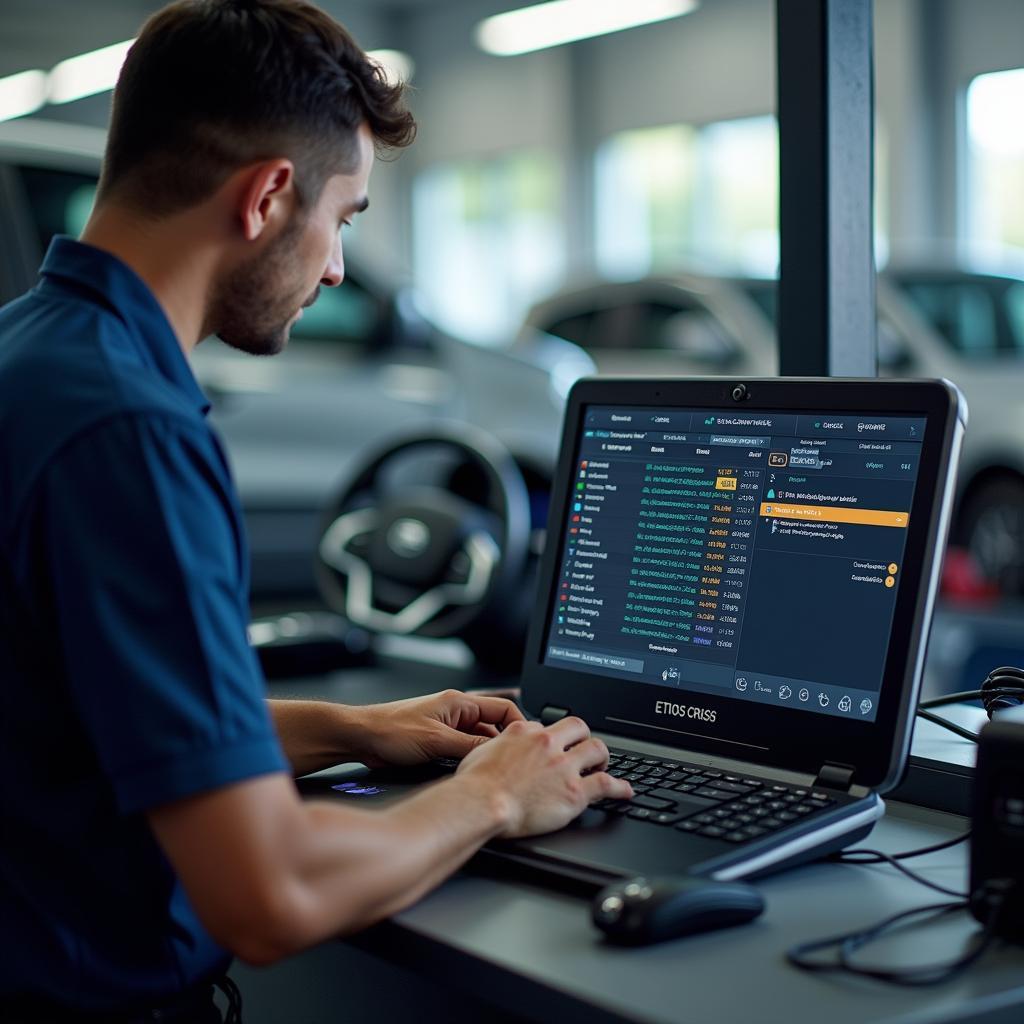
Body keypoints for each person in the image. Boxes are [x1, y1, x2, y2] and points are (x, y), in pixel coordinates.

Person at [0, 1, 632, 1019]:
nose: (336, 267)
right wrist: (495, 795)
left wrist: (359, 727)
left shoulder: (30, 354)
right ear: (267, 198)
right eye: (342, 219)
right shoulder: (131, 435)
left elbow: (82, 723)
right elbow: (268, 893)